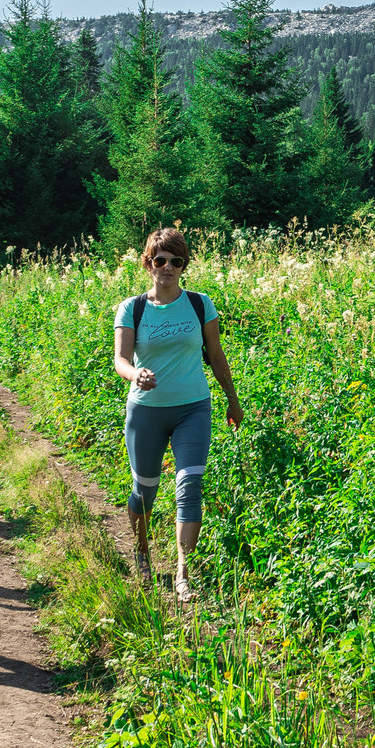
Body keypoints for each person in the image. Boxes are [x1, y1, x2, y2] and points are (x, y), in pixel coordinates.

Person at [110, 226, 243, 601]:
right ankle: (142, 554)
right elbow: (120, 359)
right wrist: (135, 374)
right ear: (148, 264)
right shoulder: (132, 308)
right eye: (160, 260)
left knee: (189, 486)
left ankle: (183, 572)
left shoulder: (201, 304)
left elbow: (215, 355)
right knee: (144, 491)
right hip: (146, 411)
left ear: (184, 265)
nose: (167, 267)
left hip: (193, 409)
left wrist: (232, 399)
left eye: (176, 261)